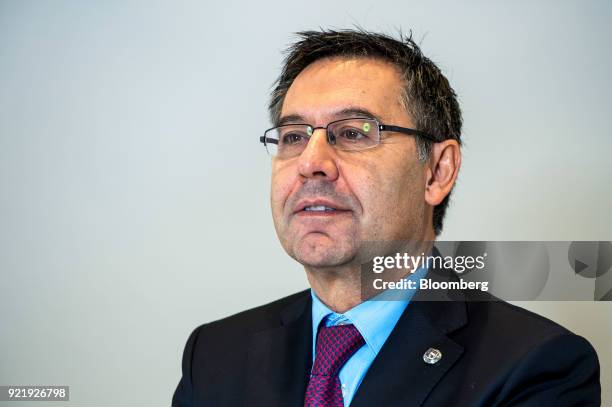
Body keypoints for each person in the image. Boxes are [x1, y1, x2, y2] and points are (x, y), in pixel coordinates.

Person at [172, 29, 600, 406]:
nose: (310, 162)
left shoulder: (537, 366)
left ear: (437, 171)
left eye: (354, 133)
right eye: (294, 137)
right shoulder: (213, 354)